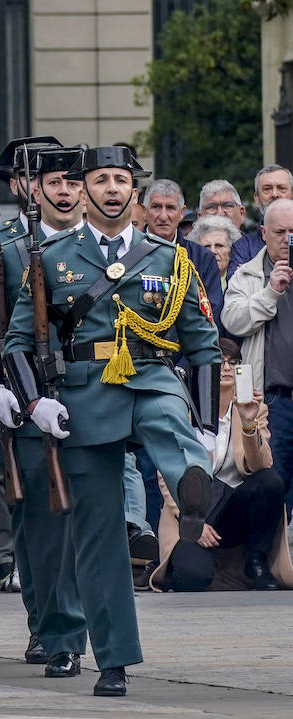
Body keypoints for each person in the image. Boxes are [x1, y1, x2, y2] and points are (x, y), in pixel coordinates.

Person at [1, 145, 220, 698]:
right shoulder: (51, 257)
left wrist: (211, 423)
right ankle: (113, 659)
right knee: (97, 539)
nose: (112, 190)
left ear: (136, 192)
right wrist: (35, 403)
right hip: (83, 393)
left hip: (149, 375)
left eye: (121, 180)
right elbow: (20, 340)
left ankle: (193, 486)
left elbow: (201, 342)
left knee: (172, 421)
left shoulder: (167, 257)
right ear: (87, 190)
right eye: (101, 180)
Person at [0, 139, 88, 671]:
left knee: (74, 523)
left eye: (70, 181)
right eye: (50, 180)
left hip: (87, 395)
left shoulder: (99, 246)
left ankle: (64, 631)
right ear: (28, 187)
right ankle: (47, 625)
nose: (62, 189)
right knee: (39, 524)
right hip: (21, 401)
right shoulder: (1, 247)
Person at [149, 338, 291, 591]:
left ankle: (256, 561)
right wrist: (192, 519)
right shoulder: (184, 411)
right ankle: (191, 562)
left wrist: (249, 423)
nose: (226, 368)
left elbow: (262, 465)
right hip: (194, 509)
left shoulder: (255, 410)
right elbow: (166, 475)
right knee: (192, 579)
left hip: (233, 508)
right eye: (220, 362)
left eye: (233, 363)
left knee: (270, 481)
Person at [221, 197, 293, 516]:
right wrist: (270, 293)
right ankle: (262, 559)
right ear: (263, 232)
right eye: (280, 231)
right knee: (271, 483)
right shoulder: (247, 275)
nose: (288, 239)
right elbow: (232, 321)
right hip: (271, 401)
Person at [142, 179, 224, 327]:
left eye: (171, 208)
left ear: (181, 213)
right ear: (144, 211)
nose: (163, 216)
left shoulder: (203, 258)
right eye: (156, 207)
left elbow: (211, 312)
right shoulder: (128, 251)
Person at [229, 165, 292, 275]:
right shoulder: (243, 247)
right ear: (257, 199)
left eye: (281, 188)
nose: (275, 194)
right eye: (267, 189)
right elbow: (237, 286)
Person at [190, 214, 240, 286]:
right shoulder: (189, 282)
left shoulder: (240, 281)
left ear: (232, 250)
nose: (212, 251)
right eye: (206, 246)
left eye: (219, 245)